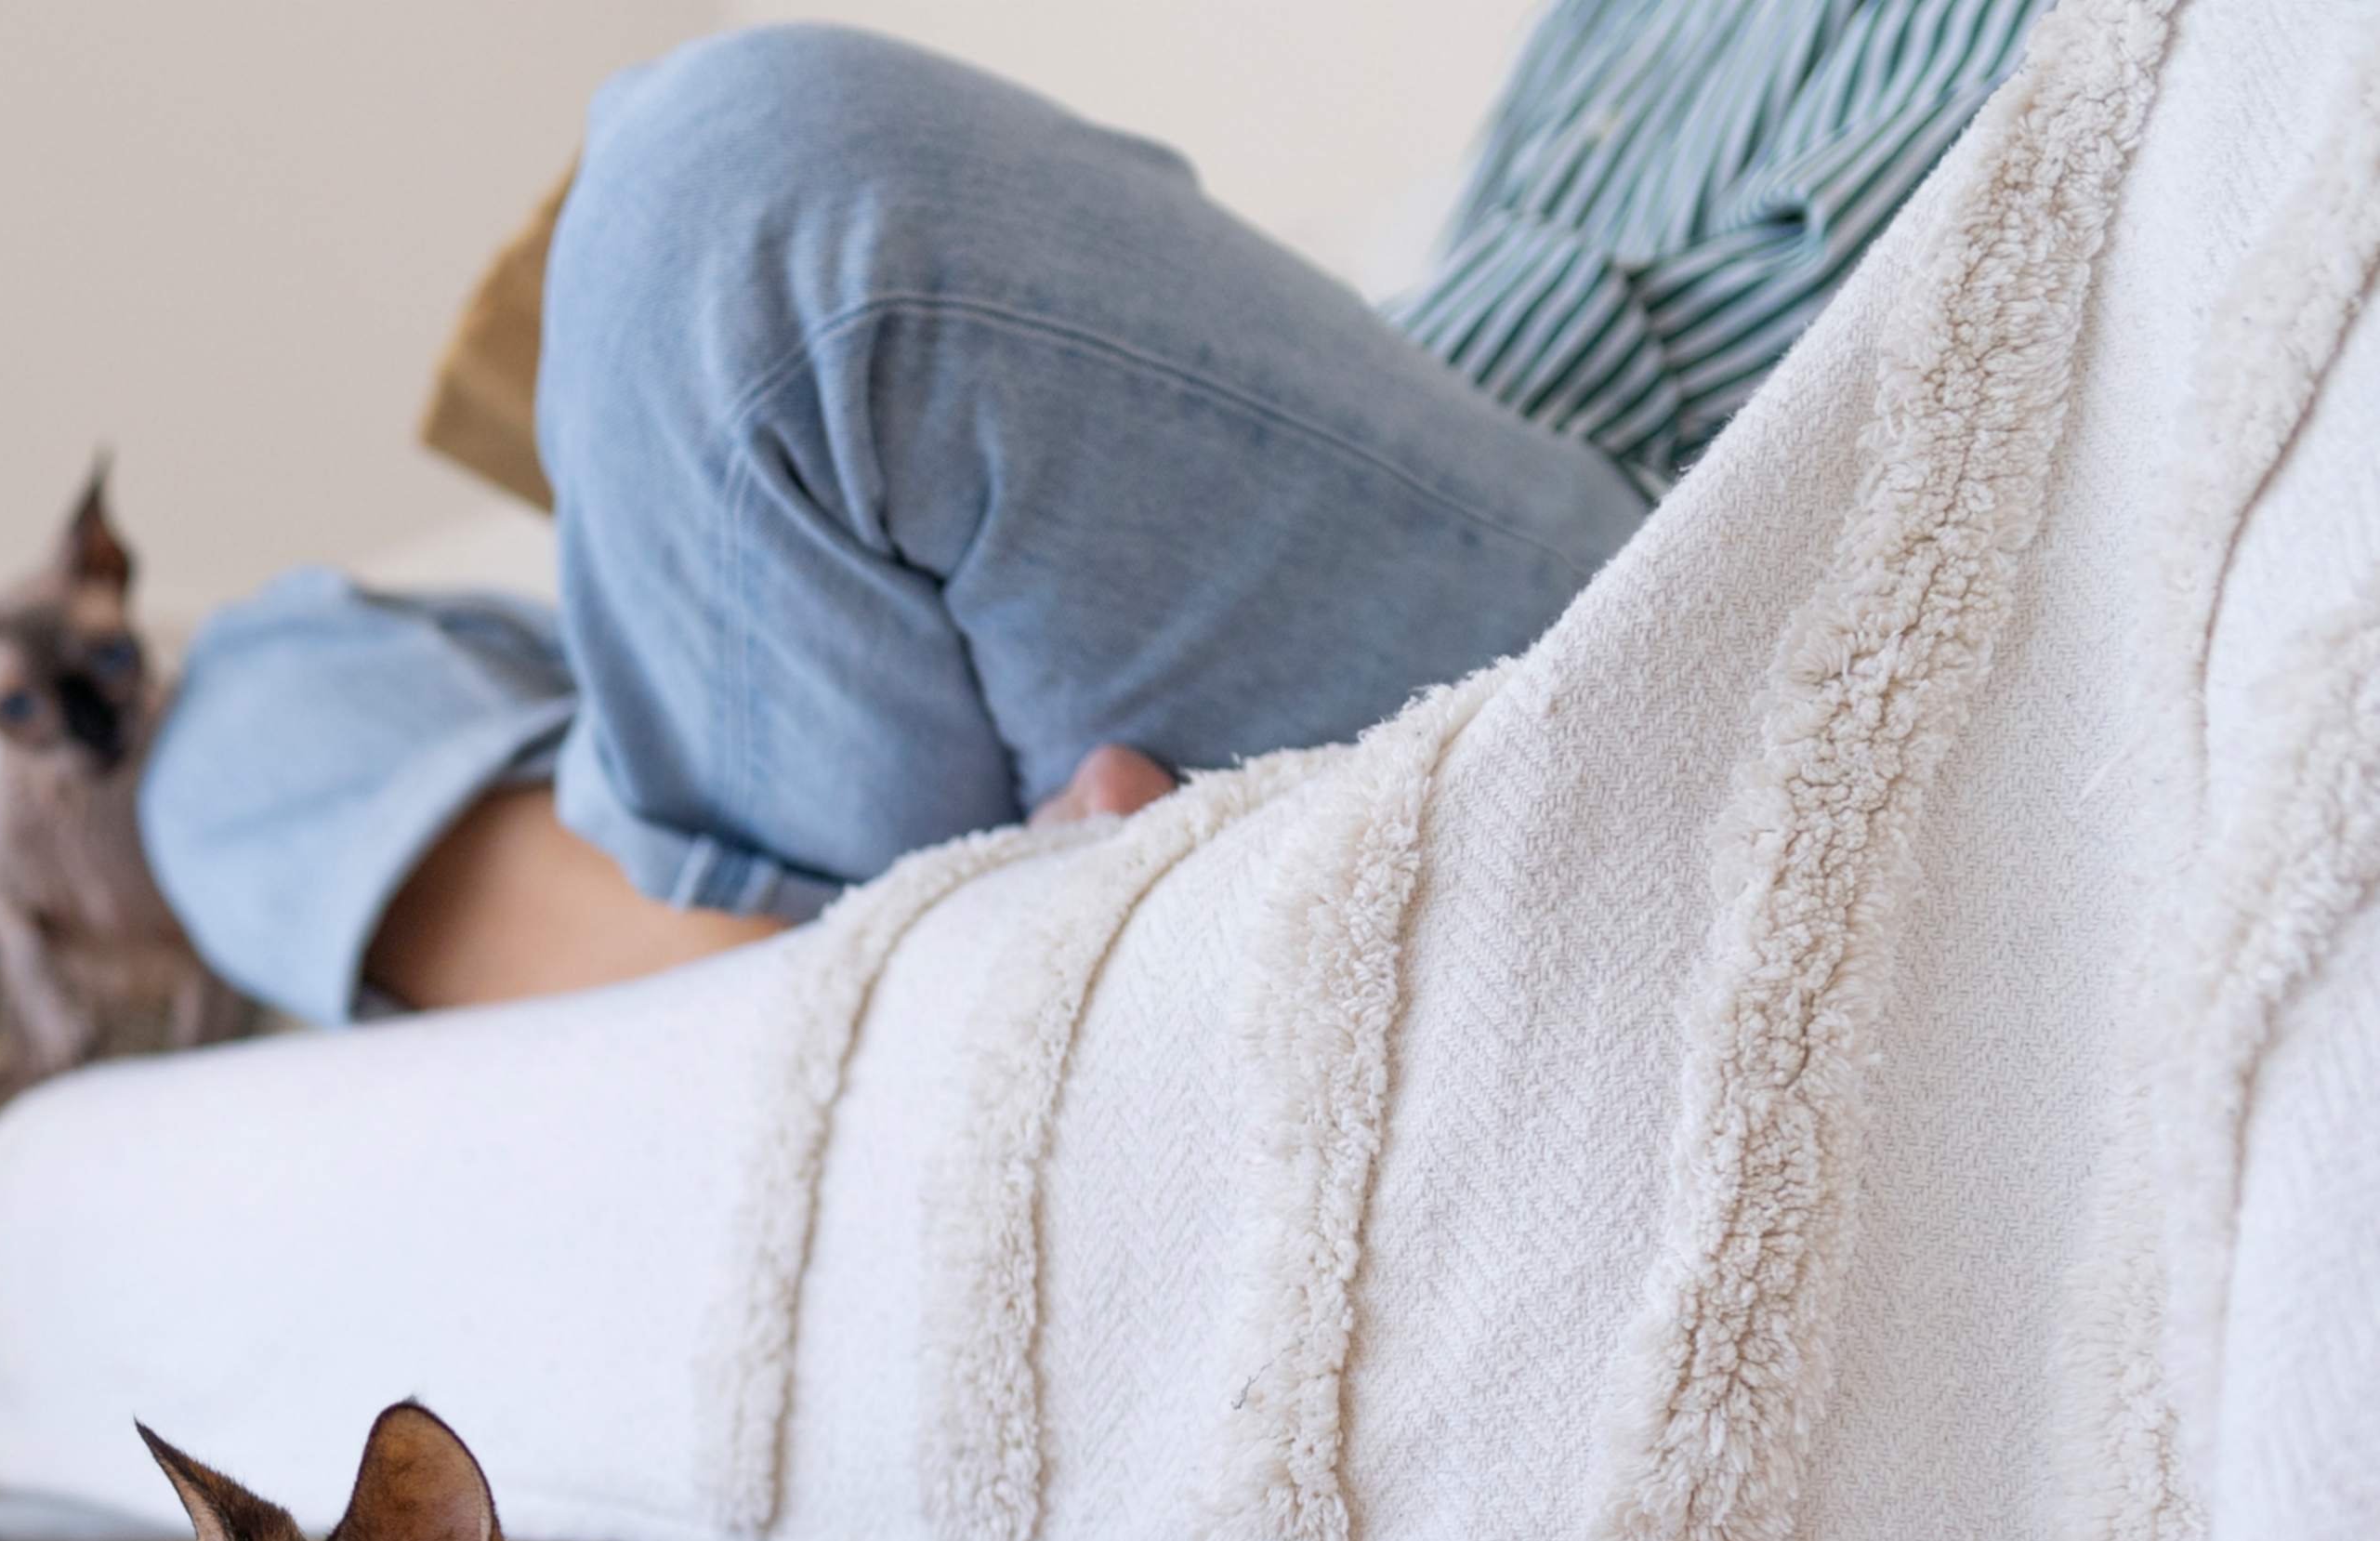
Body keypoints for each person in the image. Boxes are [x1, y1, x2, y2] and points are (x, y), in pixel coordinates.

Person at [138, 0, 2043, 1024]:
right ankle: (845, 990)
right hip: (1396, 450)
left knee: (748, 189)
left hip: (1660, 558)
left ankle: (768, 1000)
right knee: (253, 687)